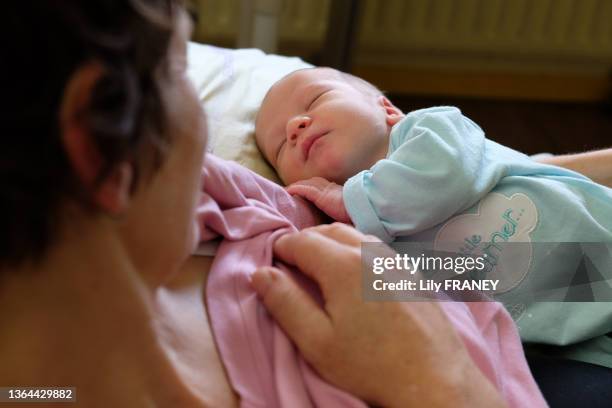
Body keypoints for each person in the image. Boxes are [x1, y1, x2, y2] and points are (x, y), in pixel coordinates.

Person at [0, 1, 510, 406]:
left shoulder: (234, 203)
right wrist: (446, 386)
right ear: (102, 147)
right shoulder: (308, 242)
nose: (296, 127)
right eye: (180, 69)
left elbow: (510, 174)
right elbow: (558, 266)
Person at [255, 66, 612, 367]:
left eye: (315, 101)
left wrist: (348, 198)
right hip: (567, 340)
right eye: (279, 147)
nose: (295, 126)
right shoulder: (355, 233)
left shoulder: (432, 130)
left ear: (387, 109)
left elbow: (445, 173)